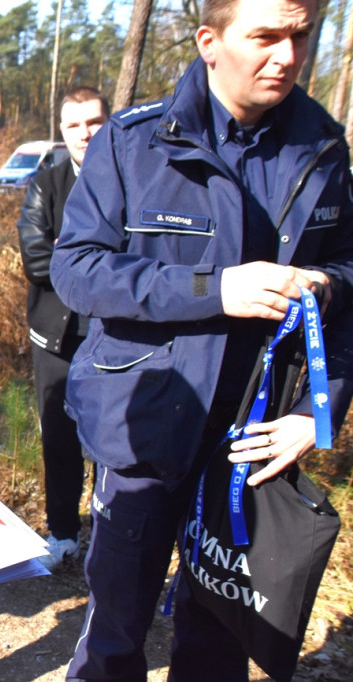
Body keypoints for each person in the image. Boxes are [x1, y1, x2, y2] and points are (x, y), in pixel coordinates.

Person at [49, 1, 353, 679]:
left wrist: (319, 411)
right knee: (115, 631)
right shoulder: (133, 140)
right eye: (267, 37)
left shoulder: (323, 146)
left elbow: (350, 289)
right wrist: (214, 291)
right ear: (209, 42)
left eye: (301, 37)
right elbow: (76, 270)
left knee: (218, 642)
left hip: (257, 440)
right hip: (146, 426)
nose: (289, 56)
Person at [15, 86, 109, 571]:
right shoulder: (45, 183)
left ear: (107, 122)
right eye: (74, 124)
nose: (85, 132)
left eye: (93, 121)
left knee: (113, 436)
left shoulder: (129, 180)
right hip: (55, 334)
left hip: (115, 332)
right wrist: (104, 270)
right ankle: (63, 532)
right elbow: (35, 258)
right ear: (61, 131)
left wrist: (69, 256)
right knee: (59, 433)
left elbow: (143, 259)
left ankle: (109, 532)